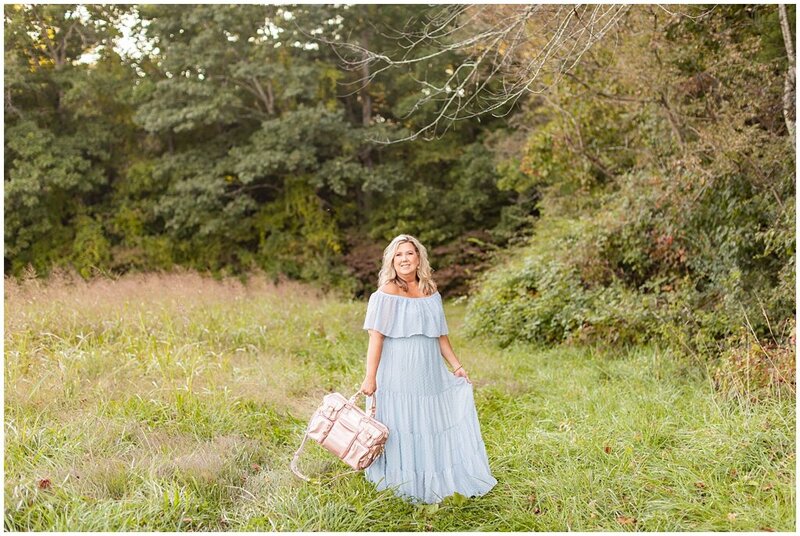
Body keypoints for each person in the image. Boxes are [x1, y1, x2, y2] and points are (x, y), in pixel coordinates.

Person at [360, 234, 497, 504]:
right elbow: (376, 338)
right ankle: (402, 480)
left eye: (409, 253)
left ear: (418, 258)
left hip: (428, 369)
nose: (404, 259)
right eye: (398, 255)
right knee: (402, 423)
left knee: (428, 421)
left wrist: (457, 366)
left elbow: (440, 337)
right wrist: (370, 377)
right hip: (397, 368)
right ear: (391, 261)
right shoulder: (386, 293)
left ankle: (432, 476)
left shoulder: (430, 292)